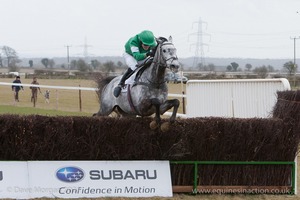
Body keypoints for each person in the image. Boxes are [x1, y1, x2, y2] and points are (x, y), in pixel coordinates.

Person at [113, 30, 157, 97]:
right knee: (134, 66)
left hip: (141, 54)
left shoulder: (153, 43)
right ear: (140, 40)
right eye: (145, 44)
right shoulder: (134, 42)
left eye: (149, 45)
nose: (147, 47)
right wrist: (147, 53)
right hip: (130, 54)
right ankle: (121, 84)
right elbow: (137, 57)